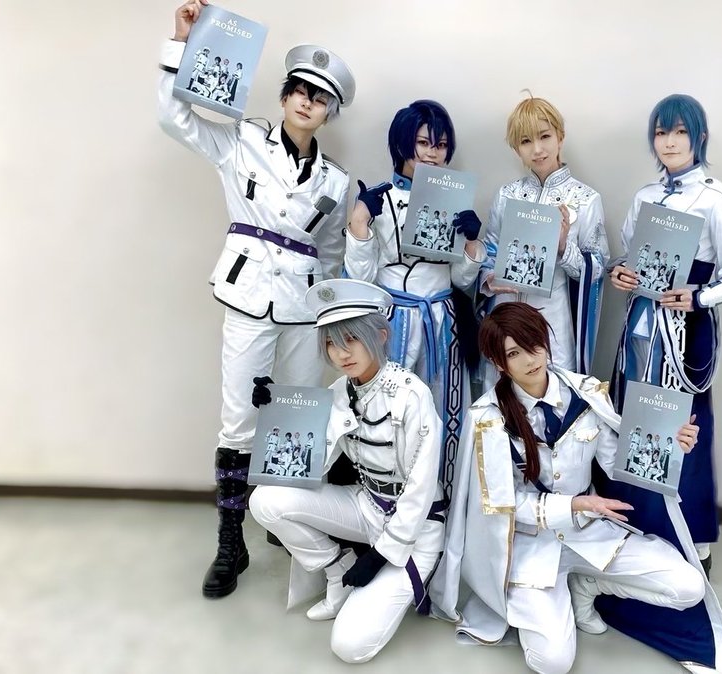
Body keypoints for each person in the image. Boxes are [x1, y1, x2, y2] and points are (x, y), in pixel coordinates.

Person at [157, 0, 355, 598]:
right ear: (285, 95)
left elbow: (330, 253)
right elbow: (175, 118)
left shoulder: (336, 181)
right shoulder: (241, 141)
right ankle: (230, 541)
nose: (306, 103)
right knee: (240, 421)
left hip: (301, 308)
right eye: (299, 91)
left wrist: (330, 318)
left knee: (295, 415)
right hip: (248, 299)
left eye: (319, 98)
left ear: (329, 111)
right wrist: (180, 44)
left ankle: (284, 519)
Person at [597, 92, 722, 671]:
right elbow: (629, 258)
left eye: (679, 132)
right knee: (633, 420)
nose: (669, 142)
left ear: (698, 138)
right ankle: (638, 525)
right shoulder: (646, 197)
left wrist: (701, 296)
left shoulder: (715, 197)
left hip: (684, 330)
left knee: (686, 430)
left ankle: (693, 538)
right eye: (660, 133)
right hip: (641, 326)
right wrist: (622, 275)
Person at [431, 302, 705, 674]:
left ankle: (586, 586)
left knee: (689, 587)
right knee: (552, 663)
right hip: (529, 546)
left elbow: (616, 462)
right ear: (499, 363)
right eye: (514, 353)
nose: (530, 359)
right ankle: (545, 600)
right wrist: (573, 504)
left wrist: (671, 446)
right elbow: (501, 505)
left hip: (589, 532)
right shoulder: (488, 419)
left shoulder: (586, 393)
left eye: (534, 344)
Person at [251, 279, 445, 664]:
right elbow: (313, 464)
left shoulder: (412, 395)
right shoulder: (341, 391)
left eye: (351, 339)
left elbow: (421, 489)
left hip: (414, 528)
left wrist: (381, 555)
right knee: (264, 501)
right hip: (366, 505)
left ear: (380, 335)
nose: (340, 353)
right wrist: (276, 412)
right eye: (330, 343)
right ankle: (336, 568)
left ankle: (387, 574)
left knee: (349, 647)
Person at [343, 100, 487, 500]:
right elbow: (360, 278)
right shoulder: (378, 199)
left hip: (444, 322)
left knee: (444, 411)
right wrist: (359, 223)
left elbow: (461, 279)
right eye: (423, 143)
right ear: (402, 143)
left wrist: (472, 242)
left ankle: (443, 501)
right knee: (390, 413)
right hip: (393, 322)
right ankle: (388, 500)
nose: (432, 153)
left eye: (440, 145)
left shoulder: (457, 200)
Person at [479, 95, 608, 387]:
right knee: (502, 398)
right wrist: (489, 279)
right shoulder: (506, 195)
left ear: (560, 137)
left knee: (553, 396)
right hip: (504, 314)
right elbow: (490, 251)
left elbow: (598, 267)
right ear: (516, 149)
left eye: (545, 136)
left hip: (553, 320)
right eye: (526, 141)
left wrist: (563, 248)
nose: (537, 149)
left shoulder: (586, 199)